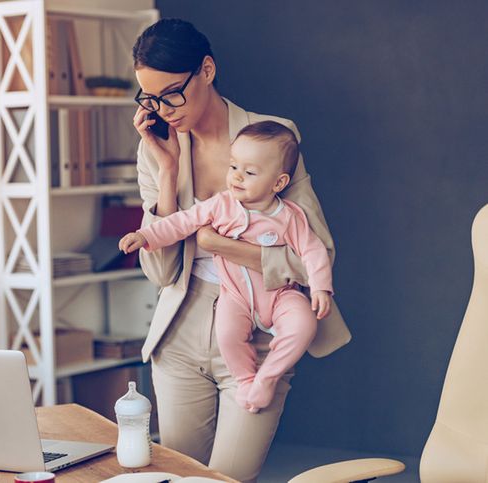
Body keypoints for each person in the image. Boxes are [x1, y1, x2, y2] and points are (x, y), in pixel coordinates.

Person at [130, 18, 352, 482]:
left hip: (259, 331)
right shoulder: (156, 148)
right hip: (181, 332)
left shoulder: (272, 136)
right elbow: (161, 273)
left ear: (206, 70)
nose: (163, 110)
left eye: (172, 93)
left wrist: (221, 246)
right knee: (178, 476)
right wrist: (166, 172)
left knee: (228, 479)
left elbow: (315, 256)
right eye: (149, 98)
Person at [120, 121, 333, 413]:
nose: (236, 177)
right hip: (235, 297)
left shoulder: (289, 216)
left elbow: (313, 250)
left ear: (279, 183)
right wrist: (145, 236)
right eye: (233, 167)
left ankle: (267, 377)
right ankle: (246, 380)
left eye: (250, 172)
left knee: (304, 324)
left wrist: (321, 288)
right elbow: (182, 222)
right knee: (227, 333)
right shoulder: (220, 205)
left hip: (281, 294)